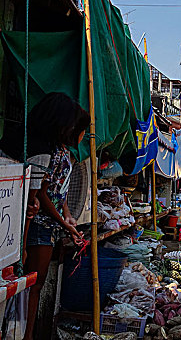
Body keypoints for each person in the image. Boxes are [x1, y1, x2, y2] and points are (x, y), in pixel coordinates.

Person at [9, 93, 89, 340]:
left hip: (50, 224)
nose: (82, 134)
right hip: (39, 224)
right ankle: (25, 334)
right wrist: (63, 222)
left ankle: (26, 332)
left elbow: (59, 191)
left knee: (36, 283)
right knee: (33, 282)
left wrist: (67, 217)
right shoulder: (45, 150)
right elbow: (41, 194)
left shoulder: (64, 151)